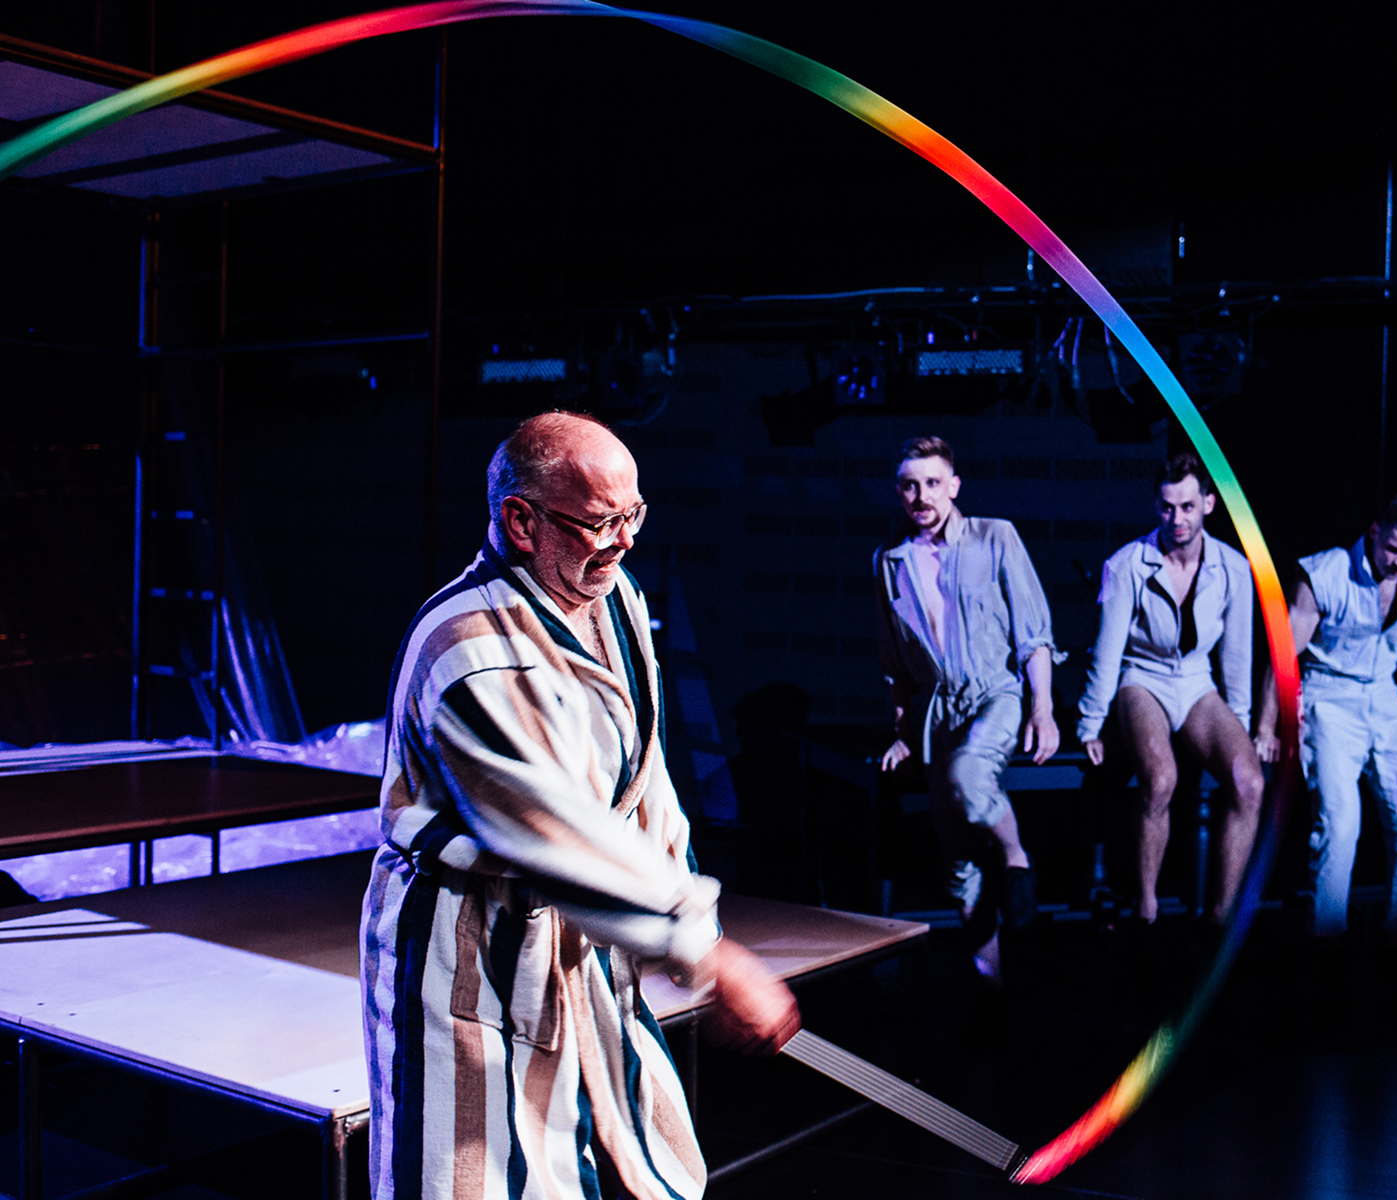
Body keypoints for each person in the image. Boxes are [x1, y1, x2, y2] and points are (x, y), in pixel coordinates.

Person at [361, 412, 798, 1200]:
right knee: (478, 1176)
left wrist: (698, 924)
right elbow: (553, 825)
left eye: (634, 515)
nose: (625, 540)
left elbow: (646, 779)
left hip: (584, 937)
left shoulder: (614, 598)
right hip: (472, 952)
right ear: (519, 521)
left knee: (622, 1153)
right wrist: (705, 952)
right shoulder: (467, 647)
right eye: (600, 522)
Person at [874, 435, 1060, 979]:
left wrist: (1042, 707)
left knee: (970, 775)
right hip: (937, 712)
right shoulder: (890, 561)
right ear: (899, 492)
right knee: (958, 864)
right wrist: (905, 730)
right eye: (910, 485)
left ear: (954, 486)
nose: (921, 496)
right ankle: (991, 985)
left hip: (995, 694)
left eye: (933, 483)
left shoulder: (995, 537)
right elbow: (896, 665)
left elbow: (1034, 633)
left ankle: (1018, 859)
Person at [1076, 453, 1263, 925]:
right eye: (1166, 507)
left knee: (1249, 781)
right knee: (1161, 780)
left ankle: (1221, 917)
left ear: (1208, 504)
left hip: (1198, 682)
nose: (1176, 519)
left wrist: (1238, 725)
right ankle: (1147, 910)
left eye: (1186, 507)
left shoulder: (1234, 567)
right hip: (1143, 678)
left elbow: (1237, 655)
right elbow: (1108, 652)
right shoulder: (1126, 565)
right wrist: (1090, 724)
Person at [1254, 492, 1397, 937]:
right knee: (1340, 825)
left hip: (1384, 699)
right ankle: (1327, 941)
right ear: (1374, 532)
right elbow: (1285, 654)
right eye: (1394, 549)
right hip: (1328, 694)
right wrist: (1265, 724)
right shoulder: (1325, 573)